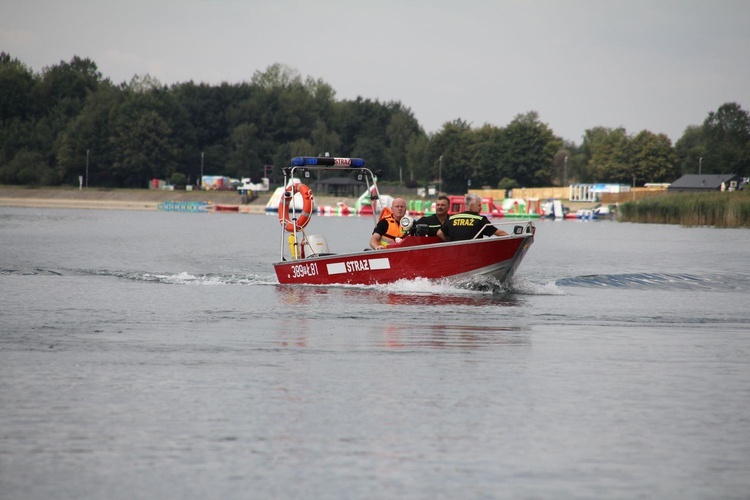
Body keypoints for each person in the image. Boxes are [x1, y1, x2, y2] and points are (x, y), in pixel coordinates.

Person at [437, 193, 509, 241]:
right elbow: (499, 233)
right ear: (471, 206)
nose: (481, 208)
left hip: (455, 254)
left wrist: (450, 241)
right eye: (479, 205)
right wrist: (515, 239)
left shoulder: (452, 218)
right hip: (473, 253)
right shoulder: (480, 219)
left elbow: (439, 233)